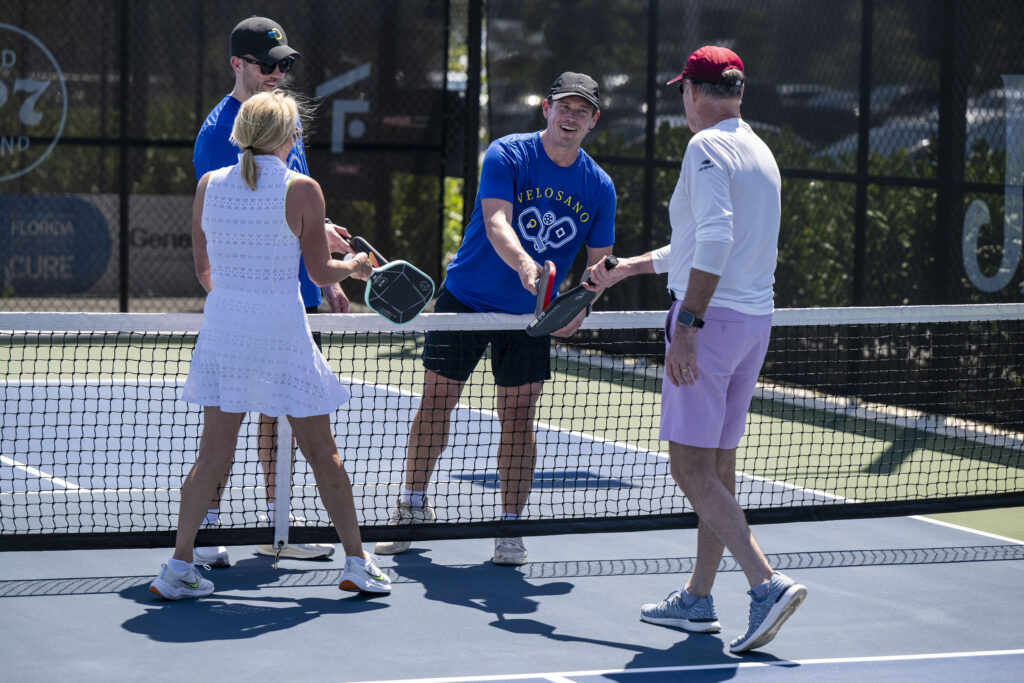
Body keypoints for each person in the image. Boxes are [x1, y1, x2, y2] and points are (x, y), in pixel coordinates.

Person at [583, 46, 806, 653]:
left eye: (683, 90)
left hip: (710, 324)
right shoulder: (759, 151)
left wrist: (687, 326)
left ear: (693, 92)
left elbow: (715, 240)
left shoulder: (705, 147)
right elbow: (697, 243)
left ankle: (765, 584)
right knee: (718, 469)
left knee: (689, 468)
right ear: (738, 91)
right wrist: (629, 267)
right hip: (753, 322)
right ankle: (698, 599)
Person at [150, 90, 390, 599]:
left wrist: (238, 304)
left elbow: (204, 270)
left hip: (224, 330)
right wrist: (356, 266)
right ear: (290, 137)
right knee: (323, 452)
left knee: (212, 454)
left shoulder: (209, 185)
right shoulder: (303, 188)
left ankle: (177, 566)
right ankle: (357, 563)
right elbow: (320, 272)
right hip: (281, 333)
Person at [374, 72, 616, 566]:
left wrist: (582, 305)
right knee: (436, 402)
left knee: (519, 417)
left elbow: (600, 266)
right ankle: (412, 505)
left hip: (530, 318)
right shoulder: (508, 154)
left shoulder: (599, 187)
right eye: (564, 107)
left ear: (593, 121)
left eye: (582, 110)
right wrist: (526, 265)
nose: (571, 117)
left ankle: (510, 527)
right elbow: (497, 221)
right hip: (466, 299)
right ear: (546, 109)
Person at [191, 16, 348, 565]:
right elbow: (232, 217)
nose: (278, 74)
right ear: (238, 64)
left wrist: (323, 249)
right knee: (225, 424)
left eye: (284, 65)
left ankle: (276, 520)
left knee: (281, 414)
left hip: (294, 297)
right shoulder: (220, 133)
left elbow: (287, 203)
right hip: (247, 304)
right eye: (267, 65)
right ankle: (208, 524)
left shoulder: (285, 121)